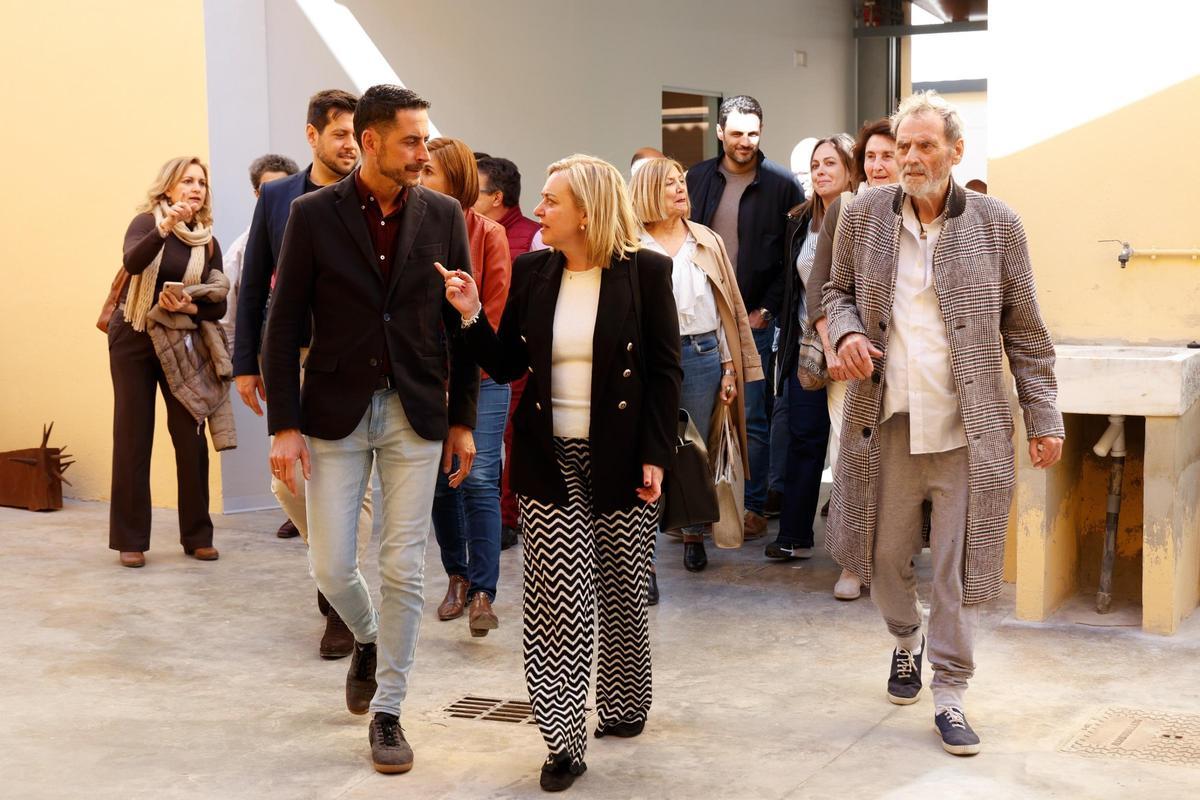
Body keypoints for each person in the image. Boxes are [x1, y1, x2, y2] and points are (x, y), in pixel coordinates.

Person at [823, 91, 1063, 756]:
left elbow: (1027, 333)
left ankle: (951, 693)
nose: (910, 157)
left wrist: (1045, 416)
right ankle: (906, 640)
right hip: (887, 423)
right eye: (903, 146)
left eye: (925, 145)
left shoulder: (997, 224)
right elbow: (835, 293)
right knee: (880, 557)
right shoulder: (863, 215)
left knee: (957, 571)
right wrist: (843, 332)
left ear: (957, 152)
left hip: (969, 431)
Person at [438, 154, 681, 792]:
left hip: (624, 457)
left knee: (623, 592)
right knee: (556, 605)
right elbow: (508, 362)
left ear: (587, 211)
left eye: (551, 201)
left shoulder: (646, 274)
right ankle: (562, 741)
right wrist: (467, 314)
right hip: (550, 457)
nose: (539, 211)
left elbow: (664, 372)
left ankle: (625, 705)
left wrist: (657, 453)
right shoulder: (533, 270)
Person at [263, 84, 478, 776]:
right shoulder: (311, 215)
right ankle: (367, 637)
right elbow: (283, 323)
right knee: (330, 563)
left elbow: (460, 325)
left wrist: (462, 420)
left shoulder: (444, 214)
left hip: (415, 411)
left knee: (403, 565)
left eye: (425, 139)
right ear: (371, 140)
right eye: (412, 140)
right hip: (332, 410)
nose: (424, 153)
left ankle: (389, 711)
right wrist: (284, 425)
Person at [232, 90, 368, 659]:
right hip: (296, 359)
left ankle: (339, 611)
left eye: (358, 136)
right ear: (312, 136)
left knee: (345, 492)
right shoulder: (279, 198)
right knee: (286, 483)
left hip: (354, 362)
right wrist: (246, 363)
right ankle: (342, 577)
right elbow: (255, 286)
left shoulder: (370, 194)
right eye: (340, 134)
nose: (351, 146)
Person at [630, 157, 762, 575]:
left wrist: (729, 367)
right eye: (671, 184)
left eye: (682, 182)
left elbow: (724, 307)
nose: (681, 189)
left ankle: (692, 535)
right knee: (643, 449)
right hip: (647, 356)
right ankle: (641, 561)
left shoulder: (705, 239)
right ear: (650, 190)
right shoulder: (630, 242)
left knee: (692, 450)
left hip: (702, 354)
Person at [686, 95, 803, 539]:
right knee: (694, 417)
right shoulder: (696, 179)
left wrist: (764, 311)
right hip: (698, 316)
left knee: (753, 416)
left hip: (753, 318)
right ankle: (692, 511)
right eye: (736, 133)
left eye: (753, 133)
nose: (745, 142)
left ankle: (754, 507)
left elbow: (790, 259)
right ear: (720, 132)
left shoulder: (781, 184)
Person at [109, 157, 228, 568]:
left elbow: (219, 304)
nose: (196, 188)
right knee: (133, 435)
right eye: (187, 181)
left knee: (190, 437)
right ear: (168, 189)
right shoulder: (146, 223)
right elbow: (133, 263)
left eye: (202, 182)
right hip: (136, 336)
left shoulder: (206, 240)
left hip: (181, 343)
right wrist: (163, 227)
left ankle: (197, 534)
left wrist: (189, 305)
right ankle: (130, 539)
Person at [421, 138, 512, 636]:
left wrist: (462, 369)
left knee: (478, 480)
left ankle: (483, 593)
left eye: (429, 170)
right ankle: (456, 576)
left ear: (453, 178)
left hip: (479, 379)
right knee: (441, 481)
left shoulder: (489, 234)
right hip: (429, 381)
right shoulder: (414, 229)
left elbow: (491, 313)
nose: (419, 176)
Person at [807, 118, 898, 600]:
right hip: (852, 360)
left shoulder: (929, 212)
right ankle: (852, 564)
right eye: (871, 157)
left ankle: (892, 559)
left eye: (888, 155)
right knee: (851, 459)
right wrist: (833, 344)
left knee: (900, 464)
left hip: (909, 364)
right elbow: (820, 287)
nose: (879, 165)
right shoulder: (848, 208)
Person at [768, 135, 855, 563]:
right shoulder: (800, 220)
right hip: (804, 349)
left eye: (830, 164)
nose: (820, 172)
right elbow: (793, 285)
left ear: (848, 170)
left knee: (848, 447)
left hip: (847, 348)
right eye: (816, 165)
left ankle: (853, 545)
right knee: (804, 440)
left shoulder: (862, 217)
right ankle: (794, 534)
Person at [473, 154, 543, 551]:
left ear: (497, 197)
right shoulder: (468, 231)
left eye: (476, 192)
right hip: (481, 355)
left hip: (518, 358)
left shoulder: (534, 237)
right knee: (483, 441)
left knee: (514, 437)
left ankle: (508, 516)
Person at [218, 154, 299, 345]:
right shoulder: (239, 250)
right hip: (262, 354)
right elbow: (228, 321)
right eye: (269, 190)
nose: (277, 196)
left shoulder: (310, 235)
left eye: (283, 188)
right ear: (257, 194)